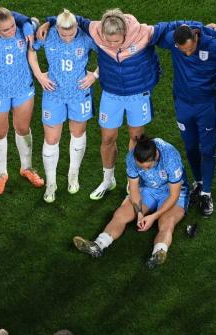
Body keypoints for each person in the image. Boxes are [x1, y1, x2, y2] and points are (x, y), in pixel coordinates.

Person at [39, 9, 161, 201]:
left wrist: (94, 75)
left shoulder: (140, 36)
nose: (111, 45)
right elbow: (74, 20)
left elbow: (166, 31)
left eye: (116, 41)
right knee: (107, 139)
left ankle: (132, 181)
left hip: (136, 95)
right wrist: (49, 21)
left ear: (125, 33)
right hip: (111, 95)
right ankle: (108, 180)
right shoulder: (97, 34)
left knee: (136, 139)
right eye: (108, 41)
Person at [154, 22, 216, 216]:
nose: (188, 53)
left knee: (207, 149)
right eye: (183, 51)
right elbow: (153, 33)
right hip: (182, 104)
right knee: (190, 147)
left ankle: (206, 192)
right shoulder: (172, 41)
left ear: (196, 38)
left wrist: (215, 32)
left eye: (190, 49)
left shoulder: (213, 47)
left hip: (206, 106)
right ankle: (198, 182)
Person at [72, 136, 188, 269]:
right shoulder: (132, 157)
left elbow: (174, 195)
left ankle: (158, 253)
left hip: (172, 192)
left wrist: (153, 216)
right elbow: (133, 188)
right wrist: (139, 213)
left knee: (167, 222)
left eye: (148, 167)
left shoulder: (170, 157)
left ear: (156, 156)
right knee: (121, 214)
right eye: (141, 167)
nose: (145, 170)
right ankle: (98, 245)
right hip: (148, 189)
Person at [28, 9, 98, 203]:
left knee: (78, 134)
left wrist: (95, 75)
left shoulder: (85, 36)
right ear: (57, 28)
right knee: (51, 139)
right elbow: (32, 50)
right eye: (63, 33)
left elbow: (107, 53)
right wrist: (39, 75)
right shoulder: (48, 34)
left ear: (76, 27)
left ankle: (72, 175)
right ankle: (51, 183)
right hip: (53, 94)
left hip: (79, 95)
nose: (67, 38)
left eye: (71, 33)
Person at [0, 4, 45, 198]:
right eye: (5, 29)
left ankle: (27, 168)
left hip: (23, 89)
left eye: (12, 26)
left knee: (23, 128)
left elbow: (38, 22)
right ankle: (2, 174)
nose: (11, 31)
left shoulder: (23, 31)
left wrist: (24, 24)